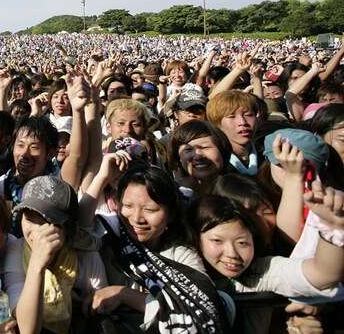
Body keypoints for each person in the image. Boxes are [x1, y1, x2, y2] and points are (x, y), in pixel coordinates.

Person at [81, 164, 228, 332]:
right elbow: (80, 229)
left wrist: (123, 295)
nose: (136, 218)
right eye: (128, 206)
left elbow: (198, 307)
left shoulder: (182, 255)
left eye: (150, 209)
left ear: (171, 214)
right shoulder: (113, 233)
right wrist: (101, 177)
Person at [188, 190, 344, 333]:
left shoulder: (261, 271)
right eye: (217, 241)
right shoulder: (181, 271)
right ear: (196, 239)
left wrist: (333, 229)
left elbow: (323, 273)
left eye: (242, 242)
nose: (232, 253)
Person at [4, 175, 107, 334]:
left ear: (66, 227)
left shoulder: (86, 257)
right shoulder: (16, 251)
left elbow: (101, 314)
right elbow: (28, 330)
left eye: (46, 223)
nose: (36, 233)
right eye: (29, 220)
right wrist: (37, 266)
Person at [166, 120, 232, 197]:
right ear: (179, 157)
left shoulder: (238, 189)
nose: (198, 156)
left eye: (205, 147)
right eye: (188, 150)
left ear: (222, 150)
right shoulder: (170, 194)